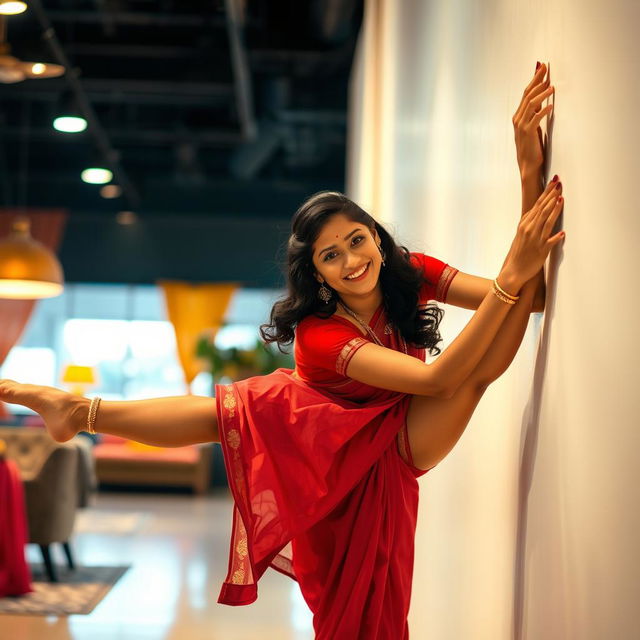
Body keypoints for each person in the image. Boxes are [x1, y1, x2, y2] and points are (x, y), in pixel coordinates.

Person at [0, 62, 562, 638]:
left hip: (380, 435)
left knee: (464, 376)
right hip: (334, 465)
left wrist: (528, 173)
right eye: (330, 256)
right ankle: (83, 411)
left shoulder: (406, 271)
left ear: (376, 235)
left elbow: (528, 293)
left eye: (356, 240)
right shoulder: (323, 336)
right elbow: (443, 377)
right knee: (235, 414)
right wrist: (510, 272)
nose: (352, 261)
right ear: (316, 274)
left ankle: (79, 411)